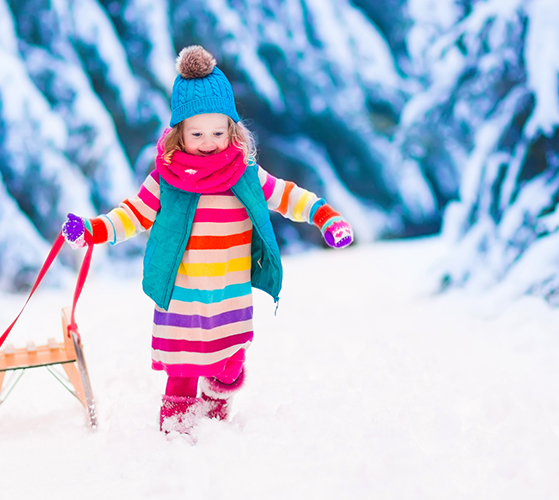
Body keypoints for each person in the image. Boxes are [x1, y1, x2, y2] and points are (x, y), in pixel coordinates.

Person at [61, 45, 353, 434]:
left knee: (228, 364)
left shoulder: (244, 173)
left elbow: (286, 195)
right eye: (197, 133)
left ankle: (215, 420)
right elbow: (132, 213)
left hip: (229, 294)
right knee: (182, 369)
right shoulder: (167, 179)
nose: (209, 141)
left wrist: (324, 215)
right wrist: (93, 230)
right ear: (178, 133)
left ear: (232, 129)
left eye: (218, 132)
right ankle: (177, 435)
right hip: (183, 296)